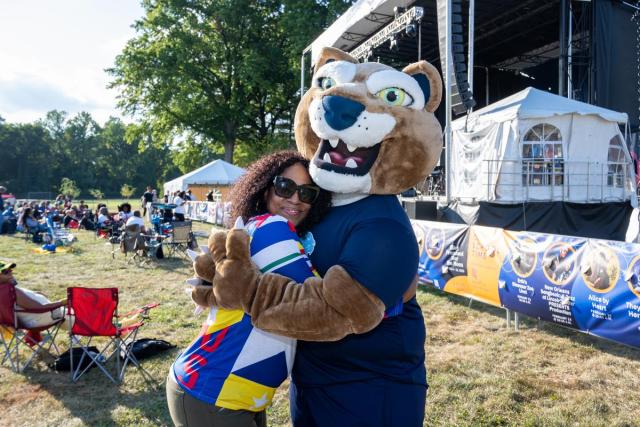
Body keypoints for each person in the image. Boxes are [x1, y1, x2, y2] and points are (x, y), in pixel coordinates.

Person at [168, 151, 331, 427]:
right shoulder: (271, 228)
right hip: (215, 392)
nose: (295, 199)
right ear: (265, 187)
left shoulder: (261, 228)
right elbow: (320, 305)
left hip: (230, 393)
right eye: (285, 187)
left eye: (307, 192)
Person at [0, 261, 65, 330]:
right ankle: (75, 338)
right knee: (71, 313)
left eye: (10, 271)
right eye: (6, 272)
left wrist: (33, 293)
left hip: (33, 318)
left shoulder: (5, 290)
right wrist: (61, 302)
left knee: (67, 313)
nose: (11, 274)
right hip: (40, 319)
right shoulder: (11, 291)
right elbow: (39, 308)